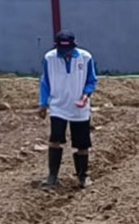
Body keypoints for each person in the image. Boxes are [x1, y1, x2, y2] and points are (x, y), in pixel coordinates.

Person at [38, 31, 97, 189]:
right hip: (58, 106)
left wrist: (85, 95)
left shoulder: (85, 57)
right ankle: (52, 176)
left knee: (82, 144)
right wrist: (43, 104)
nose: (65, 54)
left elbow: (91, 80)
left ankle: (83, 176)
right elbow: (45, 82)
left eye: (68, 50)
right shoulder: (49, 58)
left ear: (74, 46)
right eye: (62, 51)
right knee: (55, 140)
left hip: (79, 107)